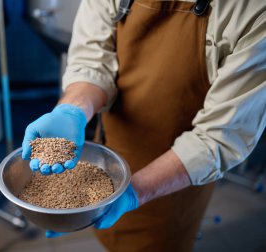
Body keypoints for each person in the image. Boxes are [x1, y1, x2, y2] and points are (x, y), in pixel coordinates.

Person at [22, 0, 266, 251]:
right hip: (113, 149)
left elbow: (220, 135)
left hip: (177, 176)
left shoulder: (254, 12)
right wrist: (72, 110)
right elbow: (92, 62)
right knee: (111, 237)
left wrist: (134, 192)